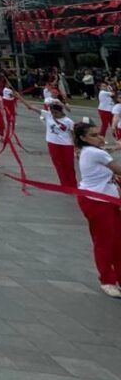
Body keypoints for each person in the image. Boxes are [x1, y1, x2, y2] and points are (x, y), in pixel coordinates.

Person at [73, 122, 121, 298]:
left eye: (99, 133)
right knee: (104, 241)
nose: (100, 137)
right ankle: (107, 280)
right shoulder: (94, 153)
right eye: (94, 135)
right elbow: (118, 169)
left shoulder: (90, 151)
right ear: (83, 138)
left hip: (108, 199)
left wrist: (114, 147)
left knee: (117, 241)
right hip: (96, 201)